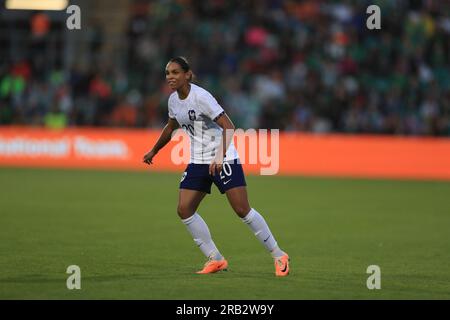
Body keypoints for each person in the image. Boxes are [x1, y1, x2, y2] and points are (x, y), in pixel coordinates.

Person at [143, 57, 290, 276]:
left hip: (223, 158)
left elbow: (229, 126)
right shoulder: (173, 101)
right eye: (167, 73)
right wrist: (154, 150)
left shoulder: (202, 97)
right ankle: (216, 259)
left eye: (175, 72)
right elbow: (171, 126)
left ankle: (279, 255)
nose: (170, 77)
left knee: (242, 210)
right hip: (198, 160)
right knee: (184, 210)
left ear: (187, 75)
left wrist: (220, 157)